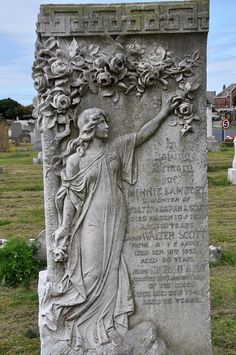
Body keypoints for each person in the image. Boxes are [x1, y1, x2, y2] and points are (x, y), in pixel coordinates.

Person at [42, 93, 180, 351]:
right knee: (92, 273)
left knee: (112, 270)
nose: (109, 126)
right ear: (91, 127)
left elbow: (141, 135)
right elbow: (71, 198)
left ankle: (106, 327)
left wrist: (162, 113)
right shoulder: (76, 161)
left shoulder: (115, 149)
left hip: (117, 217)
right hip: (91, 221)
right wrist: (64, 227)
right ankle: (71, 318)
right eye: (104, 122)